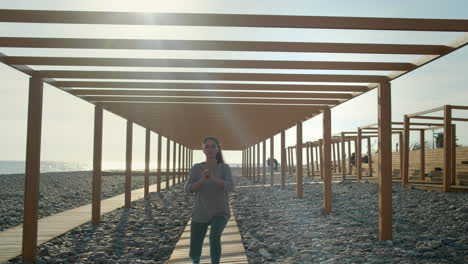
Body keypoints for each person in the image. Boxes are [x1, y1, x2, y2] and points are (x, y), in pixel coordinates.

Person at [184, 136, 235, 264]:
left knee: (214, 236)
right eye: (207, 146)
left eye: (213, 146)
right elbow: (188, 189)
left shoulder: (224, 168)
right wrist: (202, 180)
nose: (210, 149)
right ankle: (196, 261)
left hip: (220, 212)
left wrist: (214, 178)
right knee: (195, 248)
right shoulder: (196, 168)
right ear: (203, 149)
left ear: (218, 149)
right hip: (200, 211)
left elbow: (231, 186)